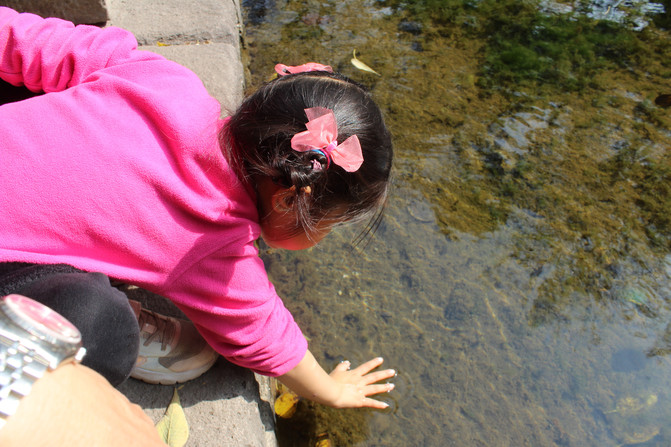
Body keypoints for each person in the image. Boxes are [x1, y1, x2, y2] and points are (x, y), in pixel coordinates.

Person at [0, 6, 395, 409]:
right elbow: (263, 333)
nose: (325, 235)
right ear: (289, 199)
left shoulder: (165, 79)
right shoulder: (214, 242)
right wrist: (333, 391)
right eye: (330, 224)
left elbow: (38, 42)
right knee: (105, 327)